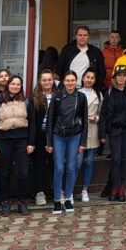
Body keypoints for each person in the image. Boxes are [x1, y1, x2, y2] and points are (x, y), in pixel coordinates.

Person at [0, 74, 35, 215]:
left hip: (22, 141)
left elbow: (32, 124)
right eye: (12, 84)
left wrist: (31, 143)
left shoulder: (26, 102)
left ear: (21, 87)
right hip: (4, 141)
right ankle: (5, 201)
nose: (15, 86)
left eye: (18, 84)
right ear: (8, 85)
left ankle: (22, 201)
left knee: (23, 173)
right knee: (5, 173)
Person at [46, 70, 89, 212]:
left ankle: (68, 198)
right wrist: (49, 142)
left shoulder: (81, 97)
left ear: (76, 82)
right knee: (59, 168)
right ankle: (57, 200)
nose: (70, 83)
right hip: (58, 136)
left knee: (71, 168)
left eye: (72, 80)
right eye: (67, 80)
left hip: (74, 136)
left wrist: (83, 142)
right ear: (63, 82)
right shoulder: (57, 96)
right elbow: (50, 120)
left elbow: (85, 121)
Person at [100, 64, 126, 202]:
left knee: (125, 160)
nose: (121, 78)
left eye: (124, 75)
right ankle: (114, 187)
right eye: (119, 75)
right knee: (115, 160)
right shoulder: (110, 93)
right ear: (114, 78)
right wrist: (102, 133)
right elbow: (103, 114)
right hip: (115, 130)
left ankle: (122, 188)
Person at [29, 69, 56, 206]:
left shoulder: (58, 96)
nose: (47, 82)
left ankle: (56, 190)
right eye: (44, 80)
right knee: (39, 164)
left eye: (49, 80)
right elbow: (32, 121)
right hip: (39, 135)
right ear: (40, 82)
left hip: (55, 135)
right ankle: (39, 192)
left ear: (53, 81)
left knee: (54, 164)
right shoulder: (34, 98)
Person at [78, 69, 103, 202]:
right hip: (78, 130)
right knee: (77, 162)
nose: (89, 80)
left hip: (93, 130)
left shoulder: (98, 94)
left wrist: (96, 118)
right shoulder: (77, 92)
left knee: (89, 162)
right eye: (87, 77)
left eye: (92, 78)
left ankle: (85, 189)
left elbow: (102, 113)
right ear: (83, 78)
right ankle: (69, 189)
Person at [55, 26, 107, 90]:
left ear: (88, 37)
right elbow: (58, 69)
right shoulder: (67, 51)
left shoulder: (96, 52)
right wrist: (63, 85)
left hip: (88, 89)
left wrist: (96, 88)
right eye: (80, 35)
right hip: (68, 89)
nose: (82, 37)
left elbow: (102, 72)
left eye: (85, 35)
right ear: (76, 36)